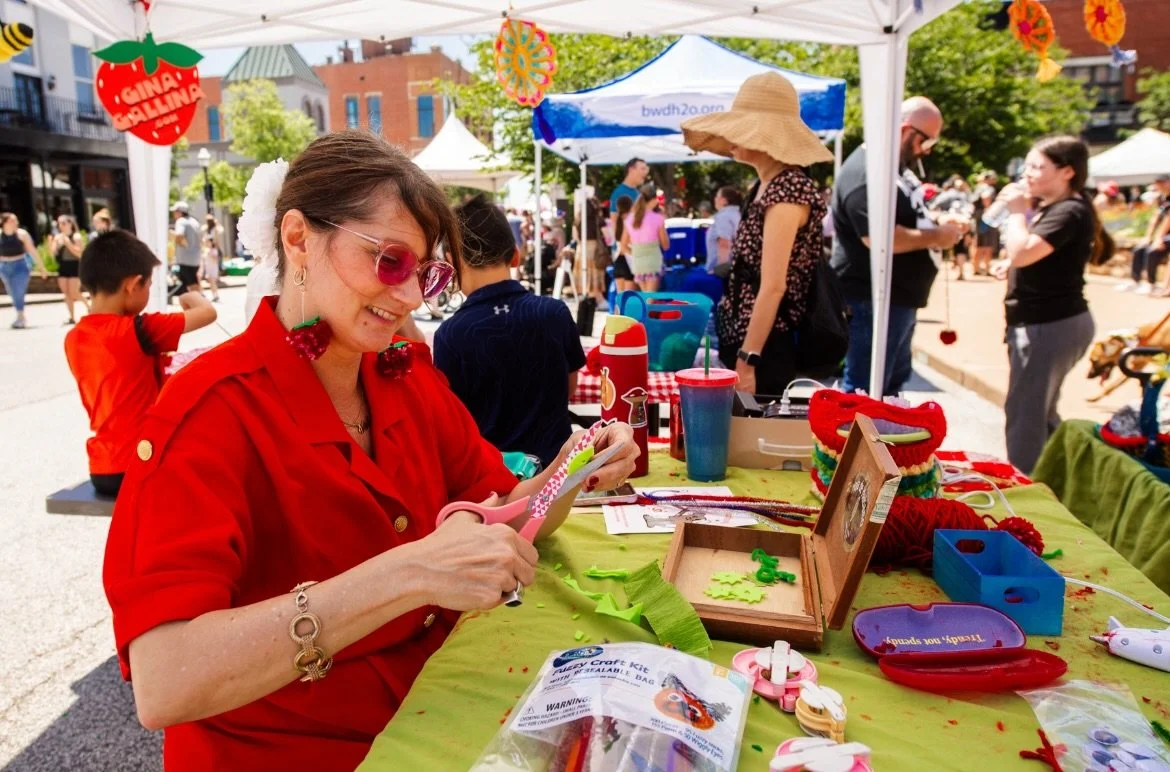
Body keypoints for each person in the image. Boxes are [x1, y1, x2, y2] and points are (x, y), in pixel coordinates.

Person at [102, 132, 638, 770]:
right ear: (298, 239)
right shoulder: (209, 411)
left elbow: (503, 516)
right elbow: (165, 681)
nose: (412, 298)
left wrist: (573, 467)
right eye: (388, 261)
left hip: (430, 714)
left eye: (426, 273)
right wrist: (409, 573)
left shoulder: (403, 377)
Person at [682, 71, 832, 395]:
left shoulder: (789, 189)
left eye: (744, 128)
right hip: (745, 336)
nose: (733, 137)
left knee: (756, 437)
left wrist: (748, 359)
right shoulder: (763, 186)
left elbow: (774, 287)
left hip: (767, 346)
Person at [435, 194, 587, 467]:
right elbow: (569, 387)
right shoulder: (554, 313)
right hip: (558, 476)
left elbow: (453, 421)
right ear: (515, 256)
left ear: (452, 261)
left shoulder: (451, 334)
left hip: (490, 481)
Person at [64, 231, 217, 497]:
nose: (148, 292)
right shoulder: (137, 330)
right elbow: (207, 313)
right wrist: (189, 297)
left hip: (104, 467)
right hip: (143, 460)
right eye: (148, 285)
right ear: (133, 285)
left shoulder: (74, 337)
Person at [830, 96, 964, 396]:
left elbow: (905, 215)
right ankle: (859, 444)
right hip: (871, 298)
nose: (925, 152)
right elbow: (880, 238)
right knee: (866, 390)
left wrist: (939, 222)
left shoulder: (893, 168)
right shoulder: (867, 173)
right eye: (926, 142)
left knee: (887, 386)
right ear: (905, 130)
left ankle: (879, 442)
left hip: (894, 298)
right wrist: (937, 236)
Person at [991, 135, 1106, 473]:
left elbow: (1024, 251)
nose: (1027, 174)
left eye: (1038, 167)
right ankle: (1061, 479)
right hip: (1048, 322)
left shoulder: (1069, 210)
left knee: (1026, 414)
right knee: (1041, 412)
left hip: (1050, 324)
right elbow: (1033, 256)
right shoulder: (1057, 208)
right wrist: (1010, 263)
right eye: (1026, 166)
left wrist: (1015, 215)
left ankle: (1026, 489)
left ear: (1067, 172)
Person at [1120, 174, 1170, 295]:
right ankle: (1135, 281)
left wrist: (1158, 238)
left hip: (1165, 235)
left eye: (1162, 182)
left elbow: (1168, 220)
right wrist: (1148, 237)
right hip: (1161, 234)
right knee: (1139, 249)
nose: (1160, 185)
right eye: (1158, 182)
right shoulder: (1161, 199)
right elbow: (1155, 219)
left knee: (1152, 252)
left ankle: (1150, 283)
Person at [0, 212, 48, 329]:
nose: (15, 223)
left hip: (20, 265)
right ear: (4, 223)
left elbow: (32, 251)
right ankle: (19, 313)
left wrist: (42, 268)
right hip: (4, 266)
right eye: (12, 220)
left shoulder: (22, 234)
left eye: (16, 220)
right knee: (11, 291)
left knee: (19, 290)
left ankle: (20, 316)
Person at [619, 185, 669, 293]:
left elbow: (623, 246)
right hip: (653, 261)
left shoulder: (630, 219)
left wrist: (636, 252)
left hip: (638, 262)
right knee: (650, 297)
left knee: (645, 296)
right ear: (654, 200)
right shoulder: (658, 218)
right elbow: (665, 245)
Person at [54, 215, 86, 324]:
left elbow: (80, 253)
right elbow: (54, 254)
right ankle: (71, 317)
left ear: (70, 224)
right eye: (59, 223)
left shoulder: (76, 237)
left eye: (64, 223)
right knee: (66, 292)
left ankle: (88, 305)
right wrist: (53, 246)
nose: (61, 226)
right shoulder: (58, 237)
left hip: (74, 265)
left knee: (74, 292)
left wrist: (68, 243)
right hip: (63, 266)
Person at [705, 186, 743, 276]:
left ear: (724, 200)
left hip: (720, 271)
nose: (715, 199)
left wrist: (721, 270)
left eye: (717, 196)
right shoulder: (737, 214)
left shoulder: (724, 217)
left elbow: (724, 243)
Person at [609, 157, 649, 238]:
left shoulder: (638, 193)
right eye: (642, 169)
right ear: (631, 170)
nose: (645, 172)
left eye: (646, 169)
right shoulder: (618, 193)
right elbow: (614, 222)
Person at [169, 202, 202, 293]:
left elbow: (179, 235)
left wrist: (180, 242)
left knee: (191, 285)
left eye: (174, 212)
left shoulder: (181, 221)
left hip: (186, 259)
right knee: (194, 282)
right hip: (195, 258)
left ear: (179, 212)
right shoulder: (194, 221)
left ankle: (197, 304)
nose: (173, 214)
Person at [972, 171, 1000, 277]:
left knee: (980, 243)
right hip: (986, 218)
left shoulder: (978, 187)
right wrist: (989, 211)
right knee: (987, 243)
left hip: (979, 217)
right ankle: (986, 267)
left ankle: (976, 267)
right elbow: (986, 198)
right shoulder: (987, 188)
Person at [611, 195, 637, 293]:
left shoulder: (618, 220)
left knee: (620, 298)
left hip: (618, 261)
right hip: (629, 261)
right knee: (629, 299)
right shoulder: (631, 220)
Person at [201, 215, 222, 302]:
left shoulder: (209, 231)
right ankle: (215, 294)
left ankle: (215, 294)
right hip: (212, 252)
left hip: (211, 252)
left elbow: (215, 242)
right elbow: (217, 242)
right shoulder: (213, 230)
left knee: (211, 277)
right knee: (211, 276)